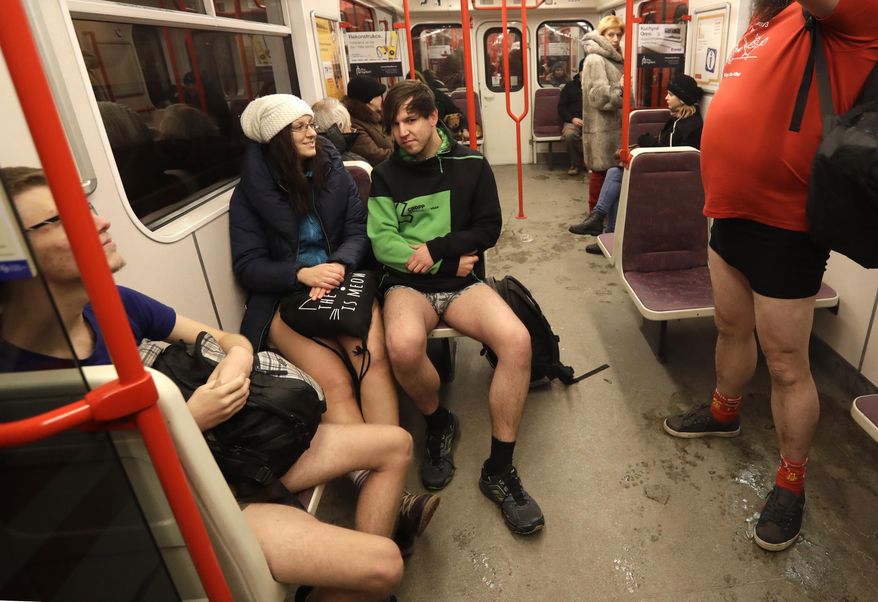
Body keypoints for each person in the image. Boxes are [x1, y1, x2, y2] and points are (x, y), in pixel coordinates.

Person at [0, 166, 410, 601]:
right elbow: (88, 514)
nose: (100, 223)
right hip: (180, 494)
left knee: (395, 445)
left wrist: (235, 364)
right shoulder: (18, 387)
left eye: (86, 208)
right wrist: (188, 420)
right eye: (60, 219)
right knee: (383, 565)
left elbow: (228, 340)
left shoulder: (114, 304)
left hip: (228, 451)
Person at [662, 0, 878, 552]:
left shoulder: (842, 18)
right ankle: (723, 411)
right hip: (729, 214)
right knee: (731, 328)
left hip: (787, 228)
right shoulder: (760, 23)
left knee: (786, 363)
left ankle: (790, 480)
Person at [229, 95, 439, 553]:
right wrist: (301, 274)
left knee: (373, 359)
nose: (312, 133)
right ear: (275, 141)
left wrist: (338, 267)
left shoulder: (333, 169)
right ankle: (387, 494)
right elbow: (248, 266)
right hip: (289, 294)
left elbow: (358, 232)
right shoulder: (249, 193)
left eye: (311, 124)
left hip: (345, 280)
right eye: (299, 128)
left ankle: (386, 490)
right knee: (335, 383)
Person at [367, 80, 545, 535]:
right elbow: (384, 243)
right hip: (409, 284)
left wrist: (436, 247)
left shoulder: (470, 164)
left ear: (432, 118)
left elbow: (488, 227)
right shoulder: (386, 175)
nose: (402, 132)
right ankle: (440, 420)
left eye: (411, 120)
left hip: (464, 284)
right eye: (394, 124)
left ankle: (499, 469)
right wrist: (442, 258)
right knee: (404, 347)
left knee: (516, 341)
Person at [569, 73, 704, 252]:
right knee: (616, 175)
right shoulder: (679, 120)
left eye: (671, 95)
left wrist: (647, 141)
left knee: (616, 175)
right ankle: (605, 228)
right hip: (663, 171)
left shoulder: (687, 125)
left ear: (682, 99)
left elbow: (668, 154)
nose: (666, 98)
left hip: (669, 178)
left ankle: (601, 221)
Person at [581, 15, 625, 212]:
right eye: (611, 34)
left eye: (619, 35)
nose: (615, 39)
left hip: (615, 127)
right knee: (601, 173)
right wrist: (620, 89)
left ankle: (608, 216)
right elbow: (598, 96)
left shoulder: (615, 57)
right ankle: (595, 215)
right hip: (602, 128)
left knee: (613, 172)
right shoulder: (595, 59)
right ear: (602, 35)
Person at [342, 76, 394, 166]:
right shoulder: (354, 124)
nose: (382, 99)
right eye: (379, 95)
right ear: (371, 99)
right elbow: (374, 155)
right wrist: (403, 153)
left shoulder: (374, 116)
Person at [311, 97, 368, 163]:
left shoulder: (307, 162)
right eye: (349, 127)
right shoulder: (357, 165)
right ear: (339, 126)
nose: (352, 130)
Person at [558, 58, 585, 176]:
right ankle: (575, 163)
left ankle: (594, 164)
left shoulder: (597, 87)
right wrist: (572, 119)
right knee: (569, 135)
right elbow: (561, 107)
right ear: (580, 72)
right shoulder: (569, 87)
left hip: (594, 121)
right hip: (574, 120)